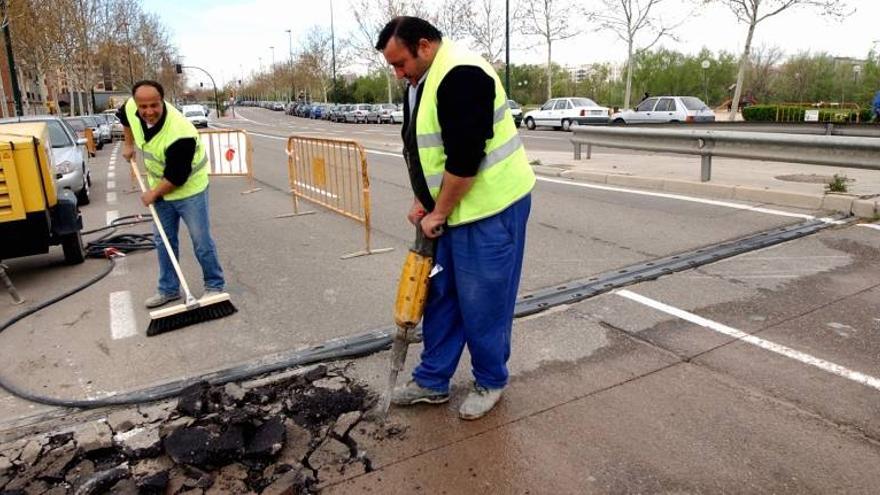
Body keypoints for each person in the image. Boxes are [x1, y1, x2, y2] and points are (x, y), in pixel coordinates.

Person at [376, 17, 535, 420]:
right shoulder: (420, 80)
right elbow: (426, 149)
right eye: (392, 66)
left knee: (483, 301)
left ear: (424, 46)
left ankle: (491, 380)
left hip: (489, 208)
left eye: (400, 64)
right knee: (441, 296)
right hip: (451, 207)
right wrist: (422, 199)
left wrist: (439, 211)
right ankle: (432, 381)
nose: (397, 74)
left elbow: (464, 159)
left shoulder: (462, 75)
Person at [118, 80, 226, 309]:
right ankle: (168, 289)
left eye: (154, 105)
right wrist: (128, 145)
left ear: (163, 101)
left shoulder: (180, 132)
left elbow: (177, 176)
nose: (148, 112)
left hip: (190, 190)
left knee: (201, 240)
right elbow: (124, 117)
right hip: (161, 189)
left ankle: (214, 285)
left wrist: (152, 193)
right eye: (143, 107)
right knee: (164, 241)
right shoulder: (131, 107)